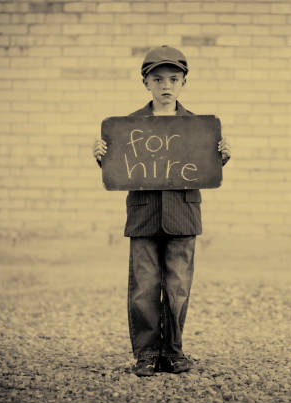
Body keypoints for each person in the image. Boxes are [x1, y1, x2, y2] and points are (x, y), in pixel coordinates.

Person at [92, 45, 231, 376]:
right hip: (143, 217)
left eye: (173, 78)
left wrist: (220, 156)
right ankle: (147, 353)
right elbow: (118, 168)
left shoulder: (199, 128)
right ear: (146, 82)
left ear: (183, 82)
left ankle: (173, 351)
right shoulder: (127, 126)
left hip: (183, 216)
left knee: (178, 288)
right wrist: (102, 155)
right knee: (143, 287)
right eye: (157, 79)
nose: (166, 85)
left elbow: (206, 169)